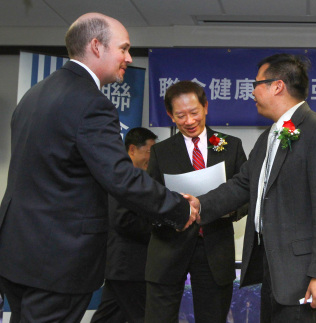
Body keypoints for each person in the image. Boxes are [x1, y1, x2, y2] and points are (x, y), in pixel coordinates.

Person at [0, 13, 197, 323]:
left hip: (17, 253)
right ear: (96, 46)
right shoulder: (90, 102)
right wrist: (179, 208)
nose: (129, 58)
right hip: (58, 260)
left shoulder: (34, 95)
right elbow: (120, 176)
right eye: (124, 48)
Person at [187, 53, 316, 323]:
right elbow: (242, 186)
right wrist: (198, 205)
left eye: (257, 83)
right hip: (271, 270)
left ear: (277, 86)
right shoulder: (268, 137)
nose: (252, 92)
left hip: (301, 273)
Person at [145, 81, 247, 323]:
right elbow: (149, 201)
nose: (189, 121)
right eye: (180, 115)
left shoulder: (231, 146)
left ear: (206, 107)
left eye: (194, 113)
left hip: (213, 248)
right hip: (169, 246)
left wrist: (225, 210)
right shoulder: (161, 151)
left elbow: (246, 195)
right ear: (170, 115)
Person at [91, 127, 158, 323]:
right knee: (145, 317)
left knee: (108, 316)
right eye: (149, 152)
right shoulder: (123, 178)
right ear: (132, 150)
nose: (151, 158)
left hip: (121, 268)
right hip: (130, 266)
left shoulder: (135, 178)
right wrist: (159, 230)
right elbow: (123, 220)